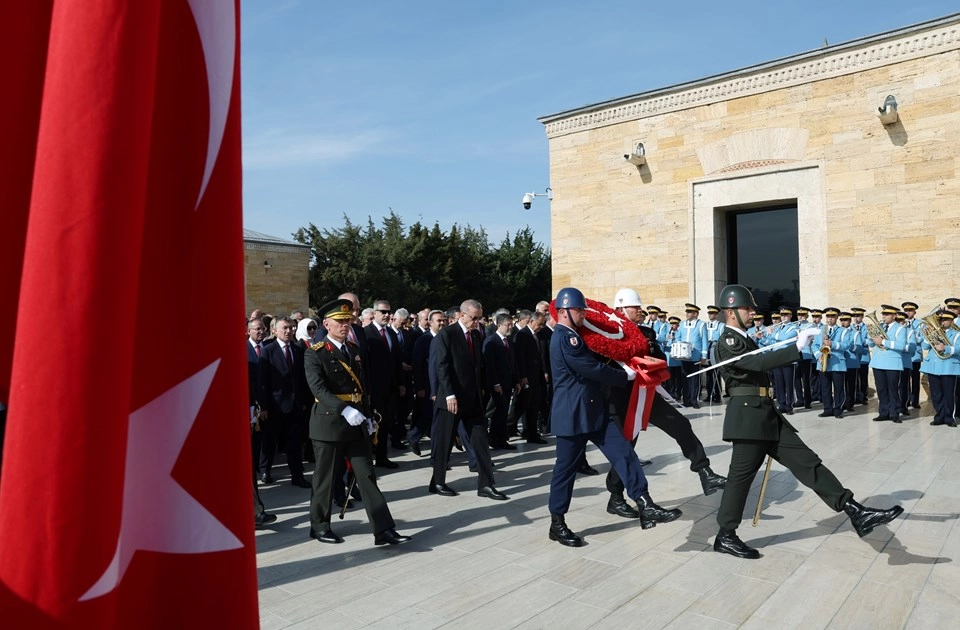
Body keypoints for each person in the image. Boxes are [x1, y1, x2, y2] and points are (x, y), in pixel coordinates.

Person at [711, 284, 903, 559]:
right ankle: (725, 536)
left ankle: (855, 511)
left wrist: (793, 345)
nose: (753, 312)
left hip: (766, 414)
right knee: (739, 480)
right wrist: (796, 347)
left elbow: (761, 359)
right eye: (747, 308)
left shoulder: (745, 337)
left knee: (808, 462)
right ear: (731, 312)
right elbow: (755, 365)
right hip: (748, 418)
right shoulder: (727, 341)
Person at [547, 287, 681, 547]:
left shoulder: (577, 335)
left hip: (595, 411)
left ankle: (644, 502)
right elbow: (588, 368)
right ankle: (557, 522)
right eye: (578, 310)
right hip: (573, 415)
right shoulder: (565, 338)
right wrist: (626, 376)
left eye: (583, 309)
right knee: (565, 471)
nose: (583, 314)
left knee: (624, 453)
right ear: (563, 312)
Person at [604, 288, 725, 519]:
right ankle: (615, 496)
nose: (639, 311)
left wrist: (649, 361)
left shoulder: (647, 333)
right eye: (634, 307)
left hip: (647, 393)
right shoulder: (607, 335)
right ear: (620, 308)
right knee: (626, 449)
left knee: (681, 424)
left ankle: (704, 471)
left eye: (639, 307)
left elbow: (660, 359)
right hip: (622, 400)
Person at [303, 299, 410, 546]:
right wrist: (344, 409)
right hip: (329, 423)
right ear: (326, 324)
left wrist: (368, 415)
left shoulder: (353, 349)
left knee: (366, 476)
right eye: (339, 322)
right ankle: (319, 526)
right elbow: (318, 389)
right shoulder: (314, 352)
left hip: (357, 421)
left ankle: (383, 529)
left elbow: (361, 388)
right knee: (325, 480)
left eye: (347, 321)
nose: (345, 325)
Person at [430, 299, 506, 500]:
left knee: (481, 441)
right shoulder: (447, 334)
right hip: (452, 398)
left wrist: (483, 388)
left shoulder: (476, 334)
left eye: (480, 318)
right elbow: (442, 367)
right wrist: (449, 394)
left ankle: (486, 485)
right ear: (461, 315)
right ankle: (437, 482)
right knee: (445, 442)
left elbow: (478, 365)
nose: (477, 321)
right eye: (474, 318)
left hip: (473, 399)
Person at [867, 305, 910, 423]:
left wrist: (883, 342)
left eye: (887, 314)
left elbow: (901, 346)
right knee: (881, 389)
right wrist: (871, 338)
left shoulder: (901, 328)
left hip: (892, 363)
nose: (884, 316)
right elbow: (870, 345)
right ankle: (883, 412)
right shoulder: (879, 326)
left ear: (894, 316)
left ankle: (894, 413)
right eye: (883, 314)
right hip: (878, 362)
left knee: (893, 389)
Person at [920, 310, 959, 427]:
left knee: (949, 394)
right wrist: (928, 334)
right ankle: (939, 416)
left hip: (948, 367)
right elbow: (924, 346)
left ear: (951, 321)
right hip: (933, 367)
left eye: (945, 320)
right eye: (941, 320)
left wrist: (945, 348)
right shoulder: (934, 332)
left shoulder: (957, 334)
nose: (942, 322)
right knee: (936, 394)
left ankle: (949, 417)